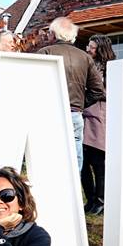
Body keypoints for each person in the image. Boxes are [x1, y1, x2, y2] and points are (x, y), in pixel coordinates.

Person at [36, 17, 105, 171]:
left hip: (49, 113)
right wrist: (80, 104)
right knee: (74, 160)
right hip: (75, 113)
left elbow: (34, 86)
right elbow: (98, 90)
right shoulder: (85, 57)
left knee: (48, 159)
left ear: (54, 34)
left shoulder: (45, 52)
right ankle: (72, 193)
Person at [82, 35, 115, 215]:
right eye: (88, 45)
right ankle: (91, 199)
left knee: (98, 162)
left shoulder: (110, 69)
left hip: (100, 117)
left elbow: (110, 93)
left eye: (92, 47)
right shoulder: (88, 65)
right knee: (83, 163)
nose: (88, 49)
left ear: (101, 49)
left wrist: (92, 91)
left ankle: (101, 201)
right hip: (85, 115)